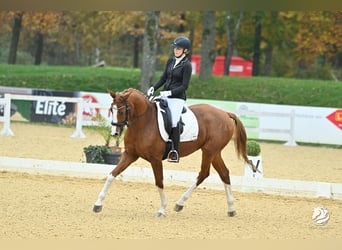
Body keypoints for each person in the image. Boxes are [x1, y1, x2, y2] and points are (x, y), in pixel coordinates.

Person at [147, 36, 192, 163]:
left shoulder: (187, 66)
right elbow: (163, 78)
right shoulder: (171, 61)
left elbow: (184, 86)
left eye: (179, 49)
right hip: (164, 95)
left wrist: (169, 92)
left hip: (177, 98)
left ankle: (175, 151)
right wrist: (153, 88)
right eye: (175, 48)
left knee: (173, 121)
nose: (176, 50)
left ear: (185, 51)